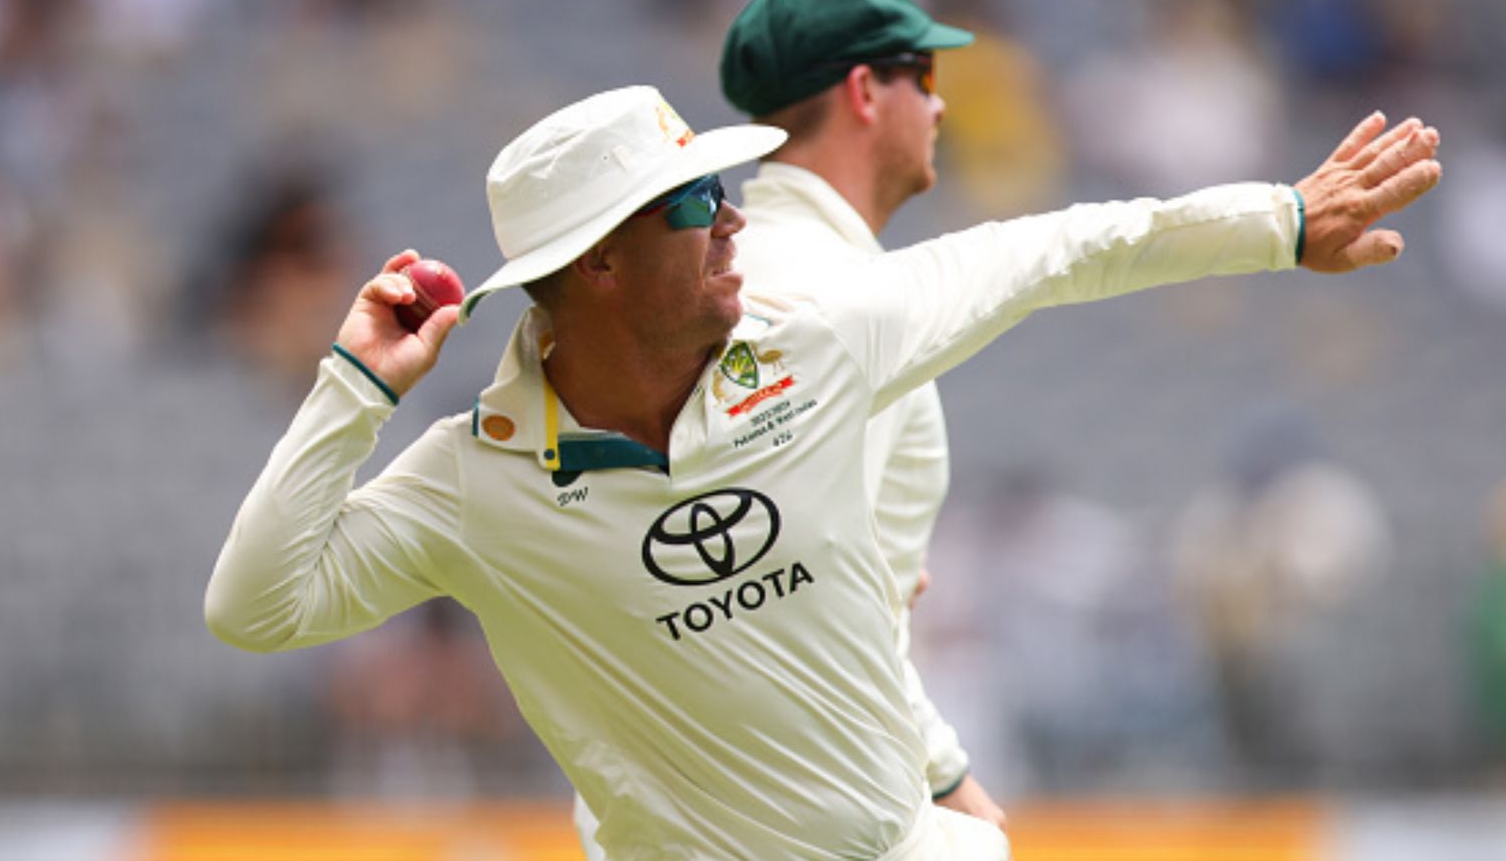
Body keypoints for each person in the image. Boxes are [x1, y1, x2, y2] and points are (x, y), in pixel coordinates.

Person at [205, 80, 1439, 858]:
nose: (734, 219)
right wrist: (354, 387)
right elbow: (254, 610)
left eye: (730, 191)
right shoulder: (474, 479)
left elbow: (1055, 250)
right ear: (595, 266)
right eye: (695, 207)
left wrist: (1278, 223)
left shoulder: (815, 341)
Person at [572, 0, 1000, 857]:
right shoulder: (828, 298)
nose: (941, 105)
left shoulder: (736, 278)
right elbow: (803, 595)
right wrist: (951, 781)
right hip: (789, 808)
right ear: (863, 92)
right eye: (922, 74)